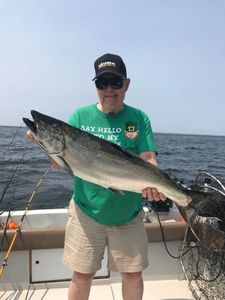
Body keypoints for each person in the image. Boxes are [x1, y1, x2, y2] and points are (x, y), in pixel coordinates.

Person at [27, 53, 165, 300]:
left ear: (127, 84)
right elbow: (61, 163)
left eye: (115, 82)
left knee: (132, 275)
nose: (109, 89)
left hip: (129, 214)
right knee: (82, 275)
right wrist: (42, 140)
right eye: (102, 83)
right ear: (95, 86)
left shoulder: (139, 118)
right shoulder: (80, 117)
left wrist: (154, 182)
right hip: (85, 214)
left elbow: (148, 158)